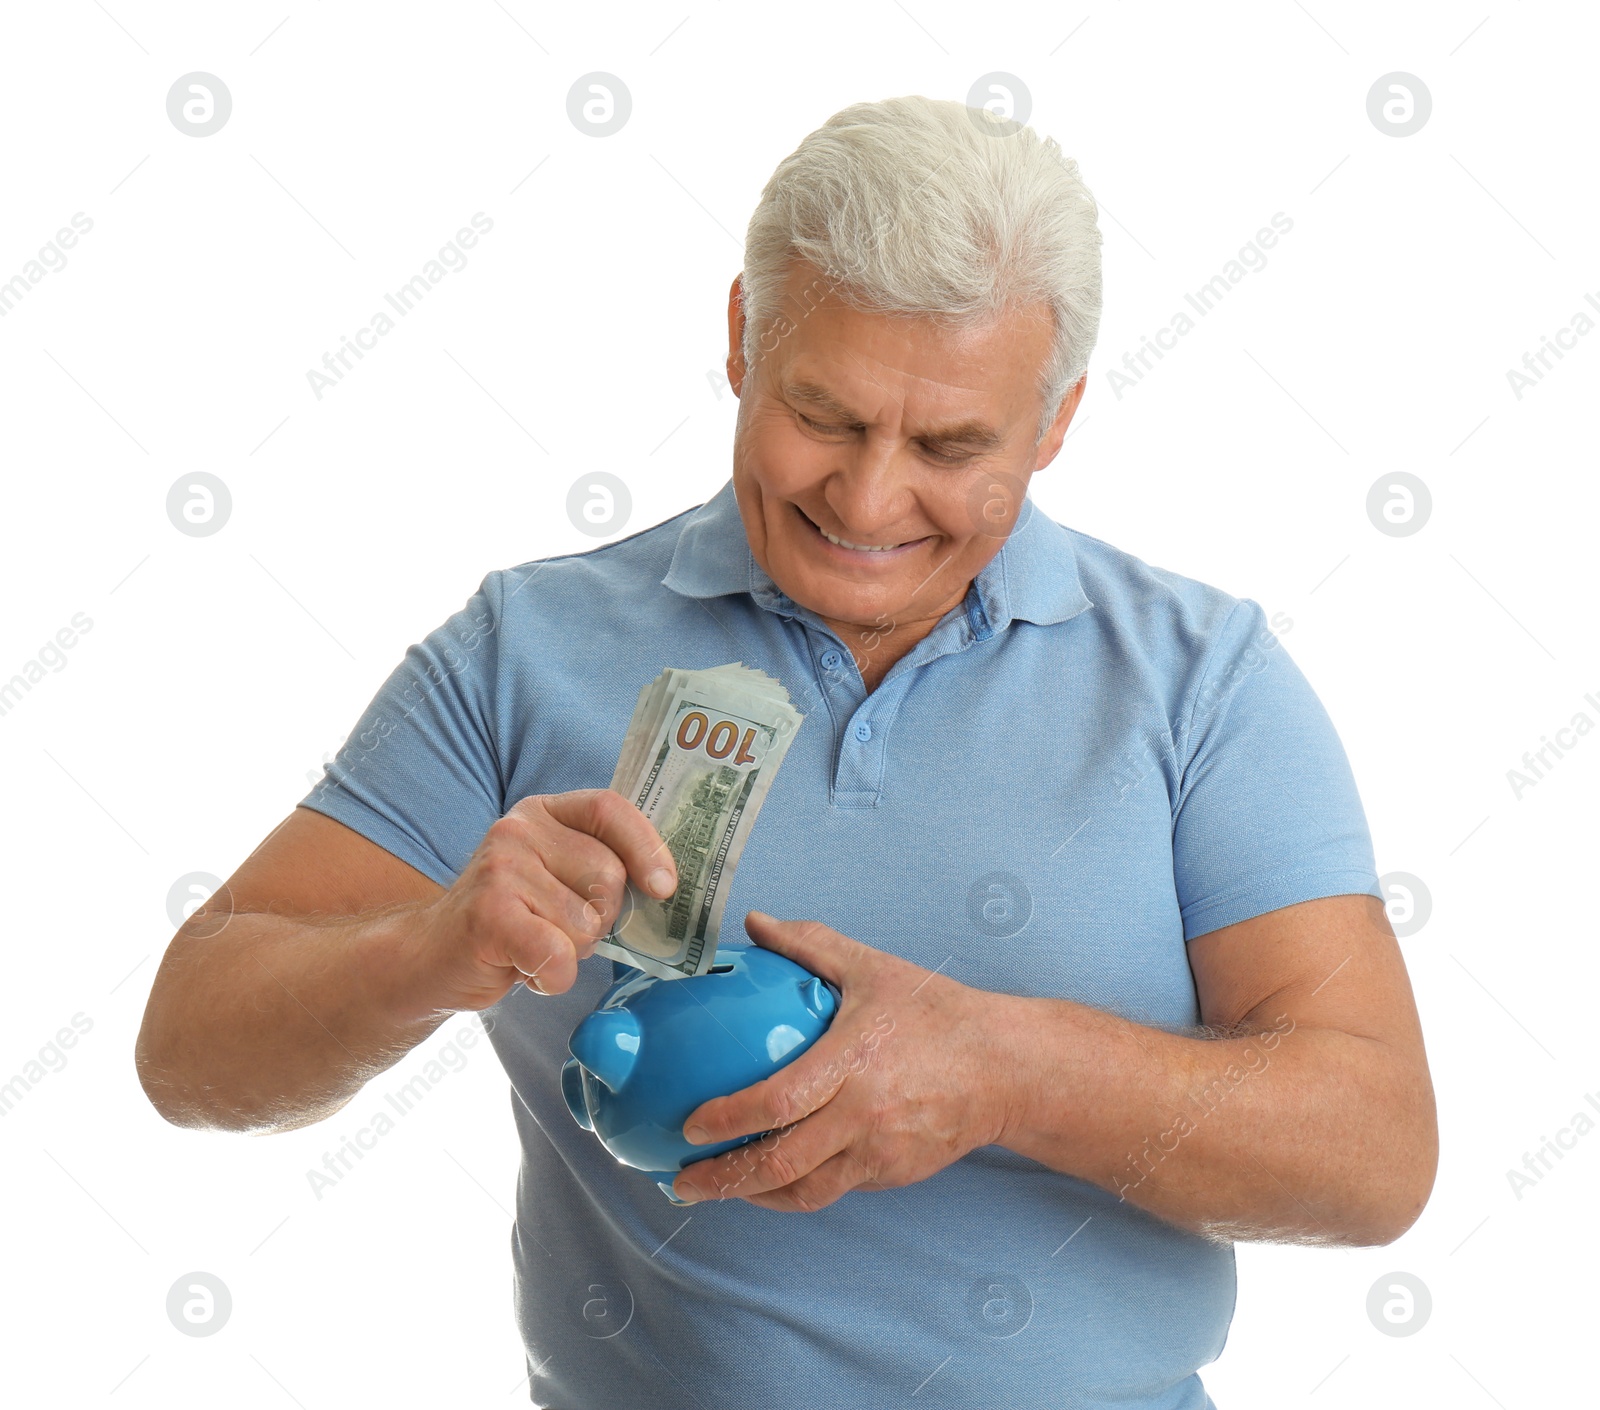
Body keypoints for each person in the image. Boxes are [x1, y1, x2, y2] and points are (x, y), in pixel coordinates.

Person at [136, 95, 1437, 1408]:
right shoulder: (516, 653)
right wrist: (427, 950)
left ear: (1055, 422)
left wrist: (1007, 1071)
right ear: (743, 339)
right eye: (825, 415)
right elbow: (191, 1044)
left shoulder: (1205, 685)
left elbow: (1376, 1150)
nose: (867, 501)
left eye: (948, 446)